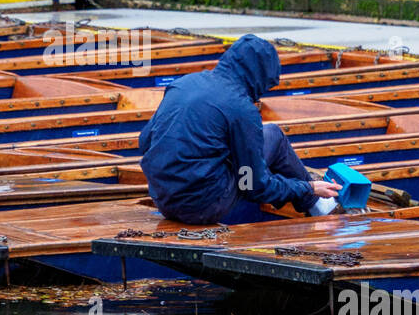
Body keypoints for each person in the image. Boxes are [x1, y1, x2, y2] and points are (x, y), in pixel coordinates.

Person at [139, 34, 341, 224]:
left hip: (163, 200)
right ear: (259, 77)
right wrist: (307, 187)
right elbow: (253, 186)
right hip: (203, 207)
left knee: (242, 151)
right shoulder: (241, 108)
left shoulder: (182, 84)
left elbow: (145, 141)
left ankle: (313, 201)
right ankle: (318, 205)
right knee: (273, 136)